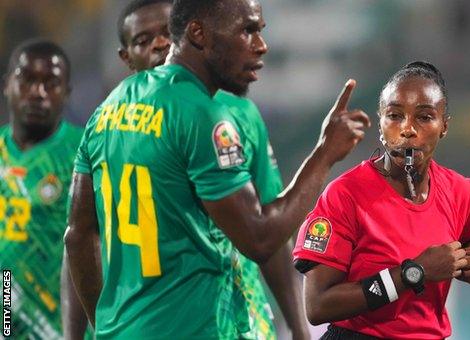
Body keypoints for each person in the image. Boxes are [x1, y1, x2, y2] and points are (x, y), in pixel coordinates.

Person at [63, 0, 370, 338]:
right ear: (198, 34)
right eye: (247, 30)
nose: (261, 46)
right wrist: (325, 153)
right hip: (194, 328)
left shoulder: (110, 107)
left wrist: (104, 324)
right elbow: (262, 239)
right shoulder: (201, 115)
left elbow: (78, 235)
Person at [293, 61, 470, 339]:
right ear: (381, 122)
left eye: (424, 117)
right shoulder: (346, 195)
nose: (407, 128)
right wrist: (414, 273)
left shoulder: (460, 191)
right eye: (395, 115)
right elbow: (317, 305)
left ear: (444, 126)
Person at [0, 39, 85, 339]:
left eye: (51, 83)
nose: (38, 93)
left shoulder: (85, 152)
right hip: (7, 311)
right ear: (7, 84)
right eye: (27, 80)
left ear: (67, 94)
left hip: (62, 324)